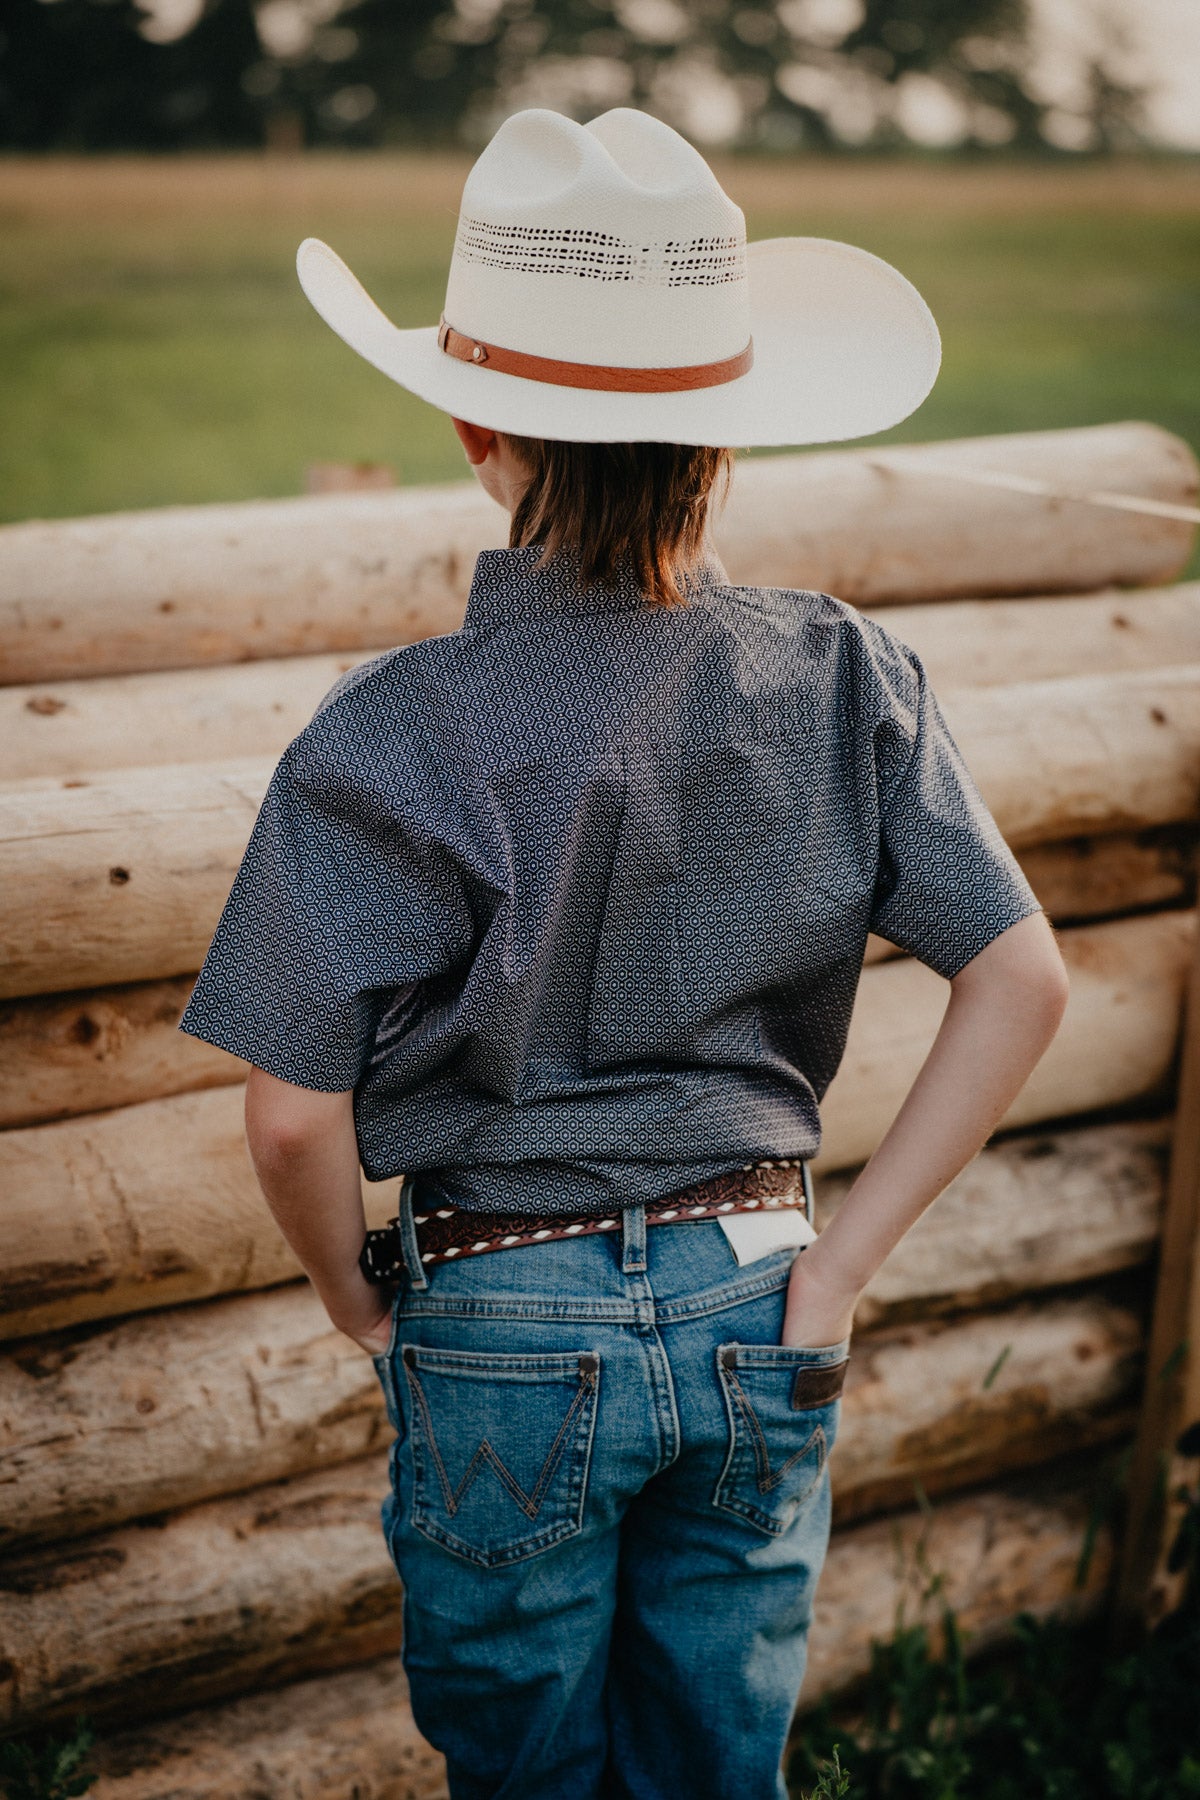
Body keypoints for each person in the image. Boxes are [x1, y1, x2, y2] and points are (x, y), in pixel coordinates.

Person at [180, 107, 1070, 1800]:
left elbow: (293, 1121)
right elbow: (1020, 980)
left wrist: (352, 1299)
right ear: (724, 446)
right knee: (719, 1761)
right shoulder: (840, 675)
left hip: (496, 1298)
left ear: (469, 427)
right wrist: (843, 1264)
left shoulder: (387, 733)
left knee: (524, 1768)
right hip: (762, 1289)